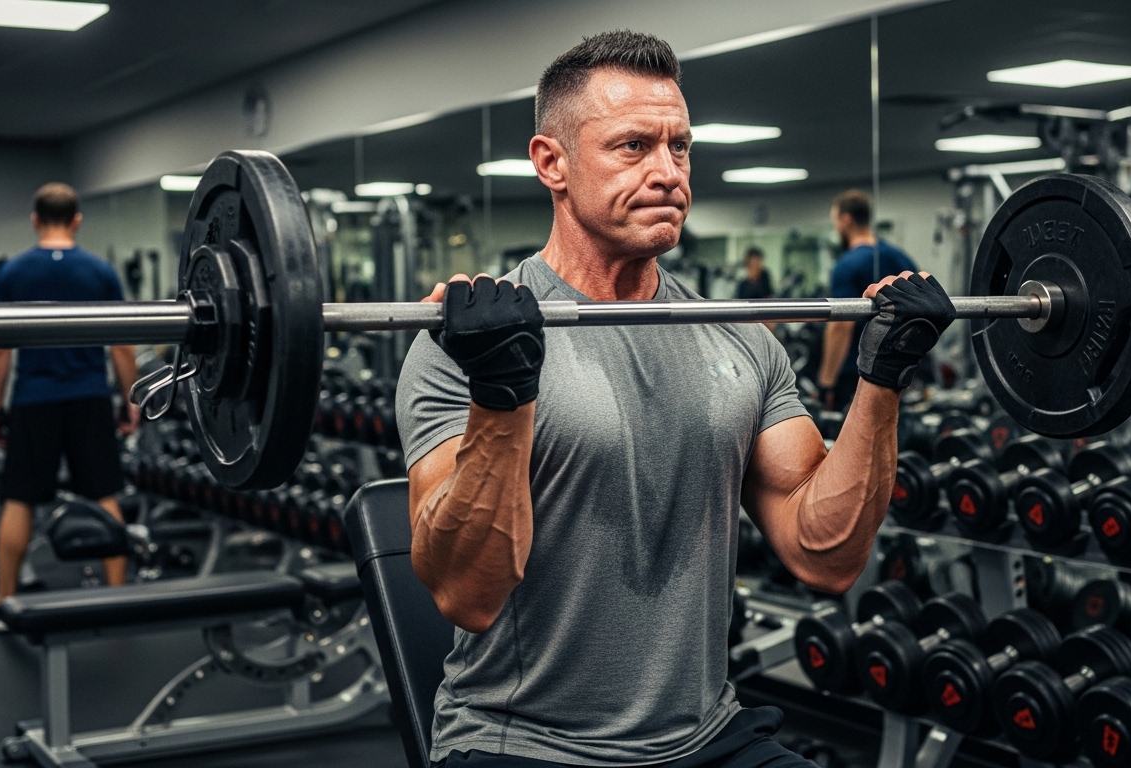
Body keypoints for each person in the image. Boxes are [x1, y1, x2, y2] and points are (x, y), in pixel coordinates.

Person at [397, 31, 953, 768]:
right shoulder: (459, 345)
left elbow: (826, 556)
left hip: (708, 737)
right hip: (525, 745)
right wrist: (502, 392)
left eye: (680, 148)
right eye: (633, 146)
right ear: (550, 162)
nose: (667, 172)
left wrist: (880, 379)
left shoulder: (740, 339)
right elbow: (466, 595)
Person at [0, 183, 140, 633]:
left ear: (35, 220)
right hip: (89, 396)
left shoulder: (13, 271)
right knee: (104, 494)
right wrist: (131, 400)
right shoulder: (100, 270)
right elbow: (122, 344)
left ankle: (3, 602)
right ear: (76, 220)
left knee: (20, 499)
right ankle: (117, 600)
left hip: (34, 398)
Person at [817, 189, 920, 412]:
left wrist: (826, 384)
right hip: (899, 370)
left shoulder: (846, 265)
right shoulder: (899, 257)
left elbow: (841, 326)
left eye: (836, 221)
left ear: (846, 220)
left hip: (856, 373)